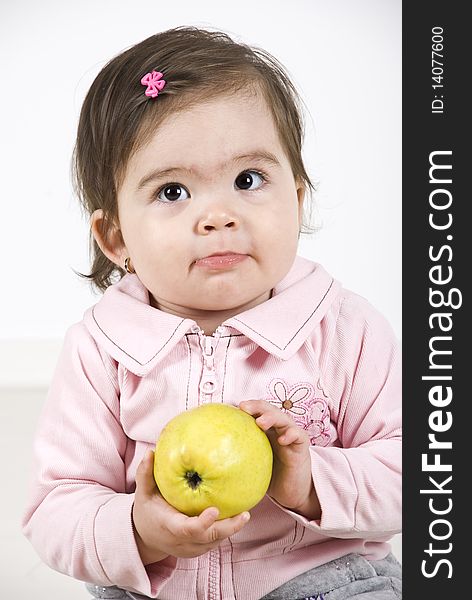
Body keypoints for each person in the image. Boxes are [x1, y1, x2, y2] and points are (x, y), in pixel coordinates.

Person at [22, 26, 402, 600]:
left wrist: (311, 482)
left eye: (248, 180)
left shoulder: (343, 330)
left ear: (297, 199)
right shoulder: (102, 348)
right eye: (173, 192)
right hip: (154, 589)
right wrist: (140, 532)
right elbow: (55, 508)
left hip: (322, 580)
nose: (218, 215)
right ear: (114, 237)